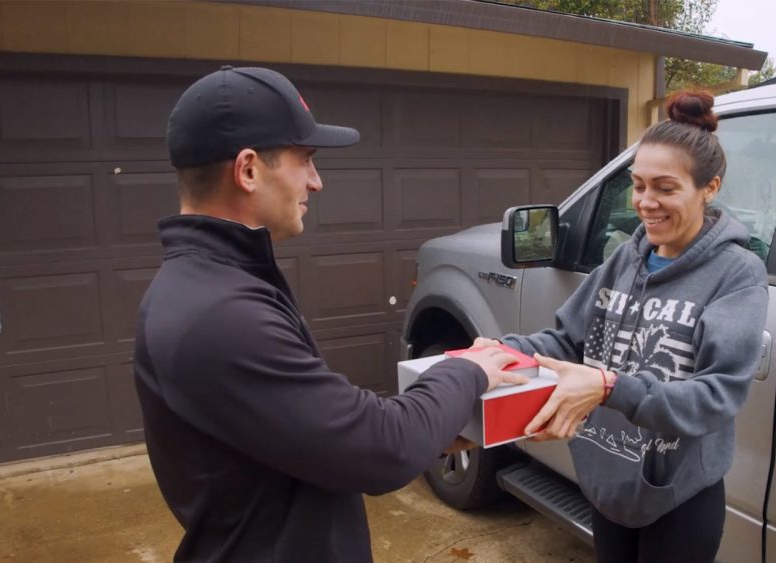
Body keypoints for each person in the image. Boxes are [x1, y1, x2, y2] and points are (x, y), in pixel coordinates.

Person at [133, 66, 524, 563]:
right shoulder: (220, 313)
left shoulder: (209, 286)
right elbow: (380, 452)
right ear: (249, 169)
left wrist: (433, 430)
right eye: (306, 160)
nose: (316, 182)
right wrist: (468, 369)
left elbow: (301, 434)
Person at [476, 90, 768, 562]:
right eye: (638, 185)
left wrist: (611, 387)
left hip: (678, 494)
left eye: (665, 188)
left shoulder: (736, 273)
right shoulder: (625, 260)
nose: (645, 203)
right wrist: (500, 351)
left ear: (709, 188)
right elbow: (566, 341)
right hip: (607, 478)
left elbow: (718, 396)